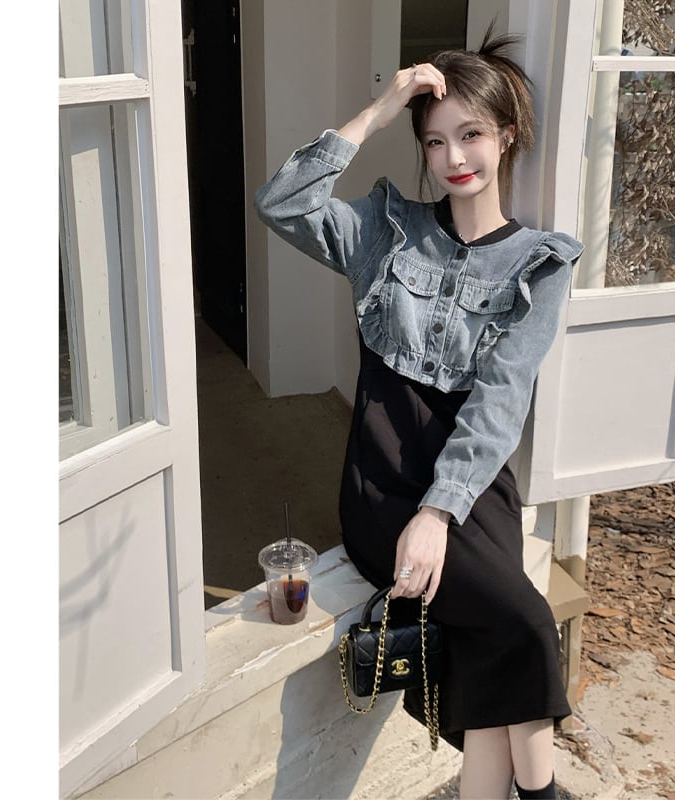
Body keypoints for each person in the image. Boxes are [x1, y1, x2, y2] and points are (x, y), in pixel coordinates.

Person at [255, 25, 583, 800]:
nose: (454, 157)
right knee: (524, 625)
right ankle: (544, 794)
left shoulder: (539, 264)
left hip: (471, 490)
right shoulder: (386, 232)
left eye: (472, 135)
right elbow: (282, 202)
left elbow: (501, 398)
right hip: (384, 493)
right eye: (435, 141)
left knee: (495, 653)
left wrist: (440, 512)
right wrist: (380, 108)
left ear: (507, 135)